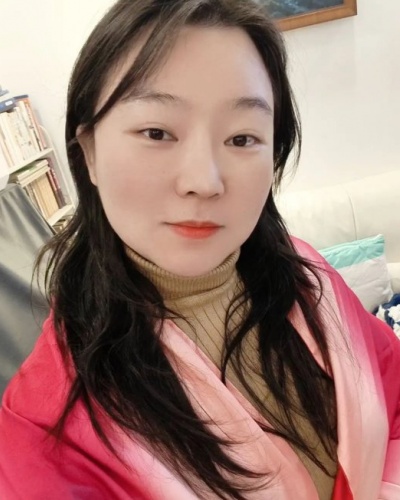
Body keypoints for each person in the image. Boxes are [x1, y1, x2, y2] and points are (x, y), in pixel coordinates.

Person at [0, 1, 399, 499]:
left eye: (242, 138)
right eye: (157, 133)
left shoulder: (309, 279)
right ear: (89, 153)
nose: (204, 181)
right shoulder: (45, 424)